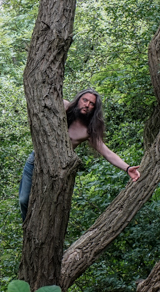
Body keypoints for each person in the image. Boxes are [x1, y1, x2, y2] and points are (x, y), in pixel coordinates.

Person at [18, 89, 140, 221]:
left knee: (48, 205)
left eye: (91, 104)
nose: (87, 105)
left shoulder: (88, 131)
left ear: (94, 108)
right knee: (24, 200)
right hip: (36, 160)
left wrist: (127, 168)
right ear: (78, 100)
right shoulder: (63, 107)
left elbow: (107, 153)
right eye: (85, 100)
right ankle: (29, 228)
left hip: (58, 170)